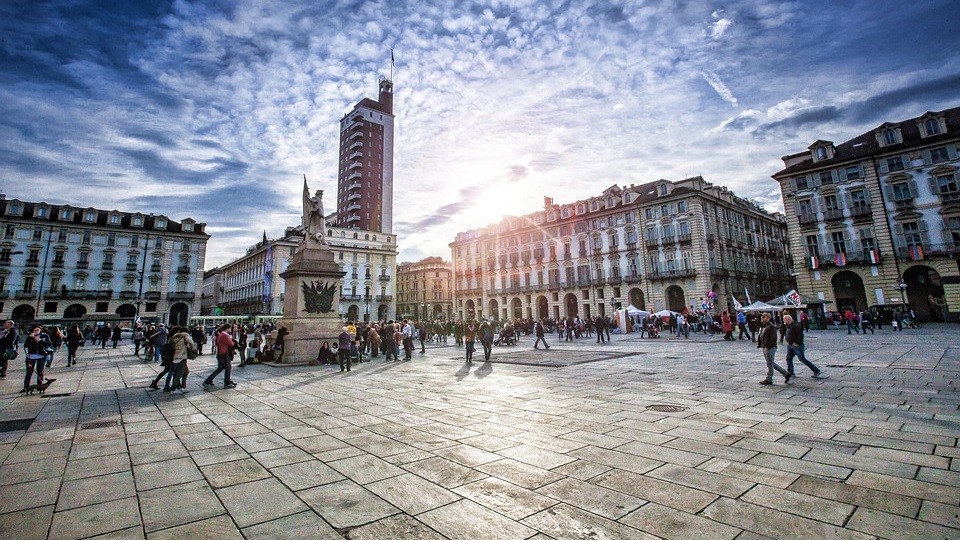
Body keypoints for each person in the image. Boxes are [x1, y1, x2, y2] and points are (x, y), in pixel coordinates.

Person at [783, 314, 825, 379]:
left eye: (785, 321)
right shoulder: (789, 326)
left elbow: (800, 336)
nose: (784, 322)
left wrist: (796, 343)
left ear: (789, 320)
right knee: (789, 358)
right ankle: (791, 373)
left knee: (802, 359)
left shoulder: (795, 326)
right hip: (790, 345)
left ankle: (816, 370)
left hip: (797, 346)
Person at [757, 313, 790, 385]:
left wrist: (768, 345)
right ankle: (786, 373)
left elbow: (773, 338)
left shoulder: (771, 326)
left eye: (764, 317)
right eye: (761, 317)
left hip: (769, 347)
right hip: (765, 346)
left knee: (770, 364)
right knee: (770, 363)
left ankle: (769, 378)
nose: (762, 318)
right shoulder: (764, 326)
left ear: (768, 318)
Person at [202, 324, 237, 389]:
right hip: (224, 354)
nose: (230, 329)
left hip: (221, 354)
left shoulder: (221, 335)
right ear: (227, 328)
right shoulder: (224, 335)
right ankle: (227, 383)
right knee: (228, 368)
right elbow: (231, 344)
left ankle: (208, 381)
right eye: (229, 328)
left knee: (220, 368)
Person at [21, 325, 52, 393]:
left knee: (40, 371)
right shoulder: (30, 336)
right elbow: (25, 345)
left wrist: (40, 341)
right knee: (29, 372)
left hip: (41, 355)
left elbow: (49, 344)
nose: (36, 332)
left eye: (38, 330)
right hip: (31, 356)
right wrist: (30, 338)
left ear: (40, 330)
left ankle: (40, 386)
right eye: (35, 330)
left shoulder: (44, 335)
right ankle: (26, 387)